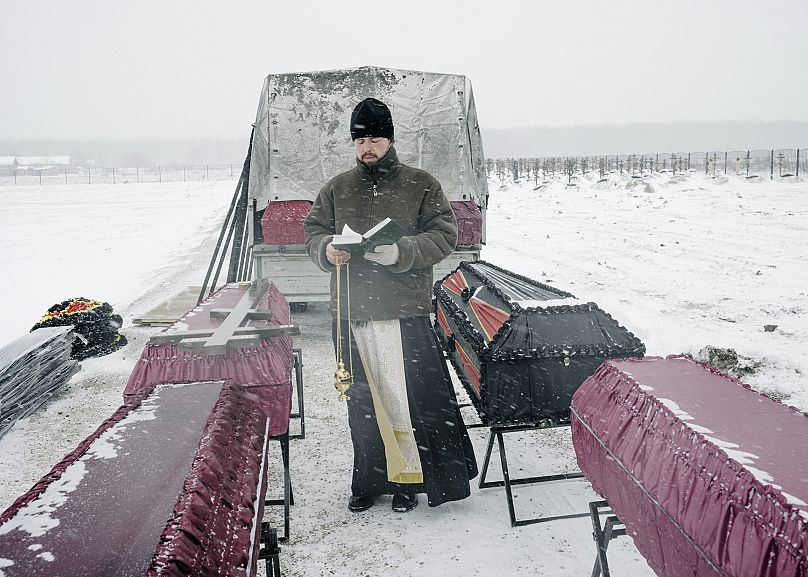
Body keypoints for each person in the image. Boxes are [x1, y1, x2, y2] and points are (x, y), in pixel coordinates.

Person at [304, 97, 478, 513]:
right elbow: (313, 232)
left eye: (376, 138)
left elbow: (444, 235)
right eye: (361, 139)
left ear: (391, 139)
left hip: (405, 311)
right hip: (351, 311)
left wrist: (403, 251)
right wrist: (327, 249)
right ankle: (369, 480)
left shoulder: (422, 184)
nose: (368, 146)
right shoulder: (336, 188)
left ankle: (409, 482)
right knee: (362, 403)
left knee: (405, 400)